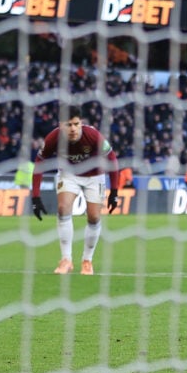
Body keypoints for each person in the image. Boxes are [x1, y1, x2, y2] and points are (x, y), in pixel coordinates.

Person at [30, 106, 120, 275]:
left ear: (81, 123)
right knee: (63, 209)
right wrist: (35, 197)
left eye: (76, 124)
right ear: (60, 125)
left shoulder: (93, 136)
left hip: (94, 176)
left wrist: (114, 192)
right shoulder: (53, 138)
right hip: (68, 174)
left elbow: (112, 159)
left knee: (94, 217)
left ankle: (87, 261)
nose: (72, 129)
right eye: (68, 125)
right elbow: (39, 163)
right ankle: (66, 259)